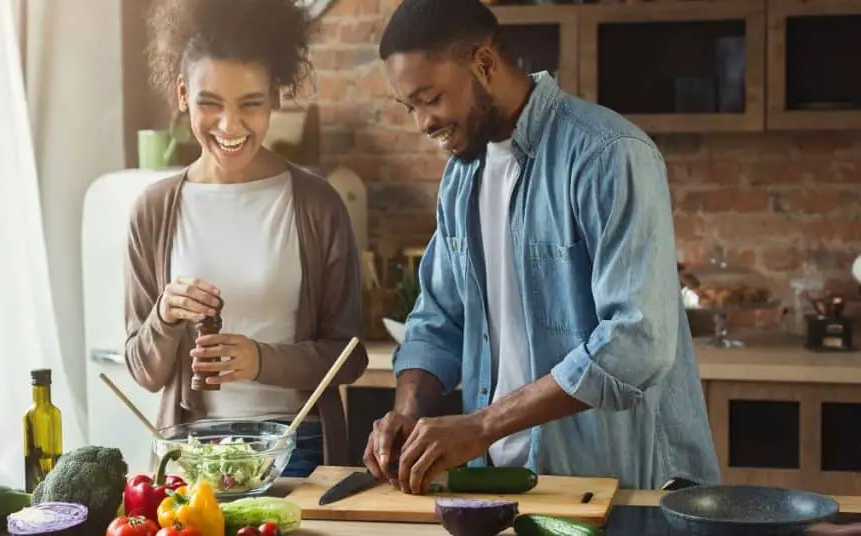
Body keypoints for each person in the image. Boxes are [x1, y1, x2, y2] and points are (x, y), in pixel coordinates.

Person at [362, 0, 721, 493]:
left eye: (431, 98)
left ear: (483, 64)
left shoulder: (608, 154)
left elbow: (636, 342)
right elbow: (439, 318)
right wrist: (406, 414)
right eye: (411, 107)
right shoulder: (461, 177)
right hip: (503, 483)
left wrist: (483, 424)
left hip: (620, 486)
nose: (422, 122)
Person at [124, 0, 368, 477]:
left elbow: (350, 357)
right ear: (181, 95)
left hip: (295, 448)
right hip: (189, 453)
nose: (230, 126)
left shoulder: (318, 204)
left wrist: (259, 360)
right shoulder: (152, 211)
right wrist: (165, 316)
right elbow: (143, 371)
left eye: (250, 104)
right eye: (208, 103)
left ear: (275, 97)